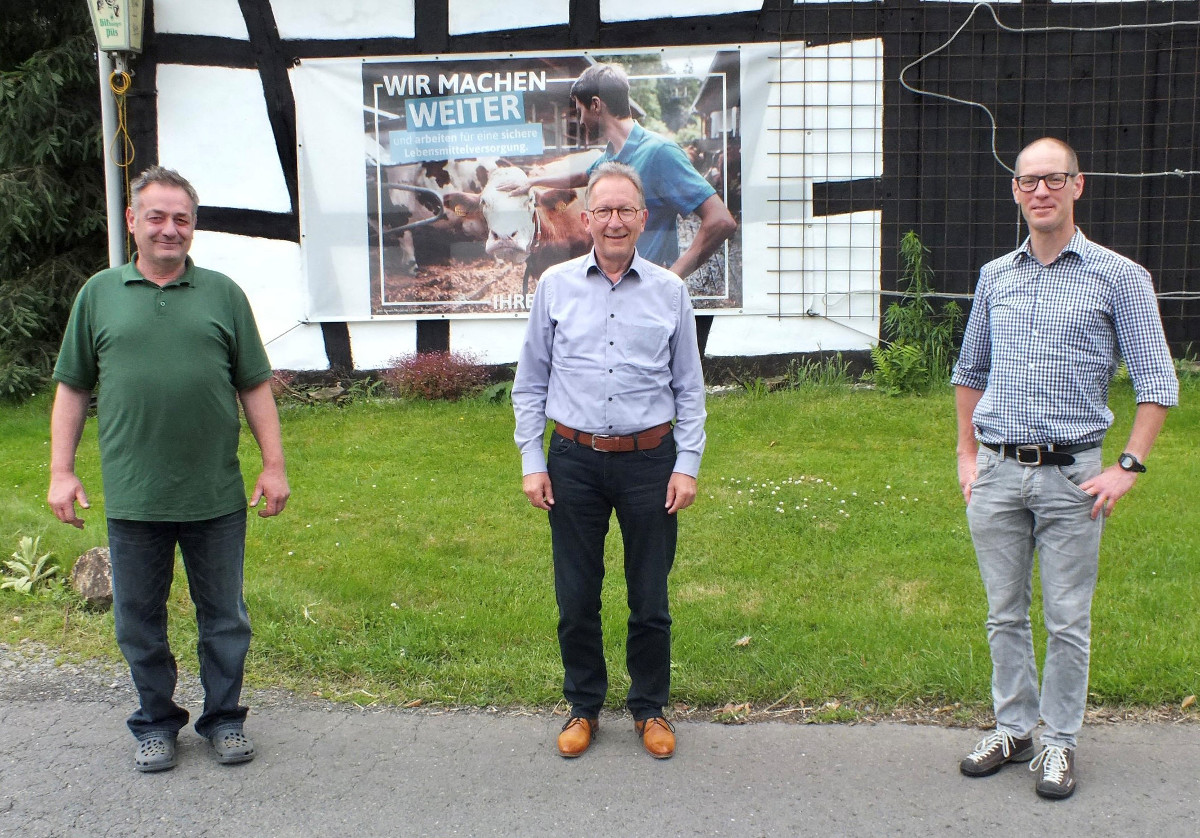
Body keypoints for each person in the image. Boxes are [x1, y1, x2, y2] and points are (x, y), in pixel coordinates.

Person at [952, 138, 1178, 800]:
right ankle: (1013, 727)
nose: (1041, 191)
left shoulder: (1119, 276)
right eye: (1028, 182)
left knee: (1067, 619)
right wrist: (966, 454)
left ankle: (1058, 744)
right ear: (1015, 192)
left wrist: (1127, 466)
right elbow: (970, 370)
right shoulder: (997, 275)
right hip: (996, 473)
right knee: (1003, 613)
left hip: (1073, 479)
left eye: (1054, 179)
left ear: (1078, 186)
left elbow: (1158, 381)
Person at [48, 166, 290, 773]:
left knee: (225, 618)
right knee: (137, 622)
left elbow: (254, 384)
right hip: (135, 496)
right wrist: (61, 469)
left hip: (215, 493)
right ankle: (155, 723)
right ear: (132, 221)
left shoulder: (223, 294)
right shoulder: (99, 294)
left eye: (181, 218)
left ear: (194, 226)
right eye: (156, 216)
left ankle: (224, 720)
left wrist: (274, 466)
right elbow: (72, 388)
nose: (169, 229)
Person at [512, 162, 707, 760]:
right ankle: (583, 707)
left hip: (651, 462)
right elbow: (530, 383)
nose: (616, 221)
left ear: (643, 218)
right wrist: (532, 458)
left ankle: (650, 708)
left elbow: (690, 389)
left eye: (627, 210)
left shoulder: (671, 292)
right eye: (605, 210)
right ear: (587, 218)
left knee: (649, 598)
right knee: (576, 597)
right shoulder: (555, 286)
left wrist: (687, 464)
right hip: (573, 460)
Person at [506, 62, 736, 279]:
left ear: (596, 105)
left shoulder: (660, 152)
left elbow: (721, 220)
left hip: (646, 292)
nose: (581, 121)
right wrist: (533, 182)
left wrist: (672, 279)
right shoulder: (611, 154)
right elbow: (583, 176)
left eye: (580, 111)